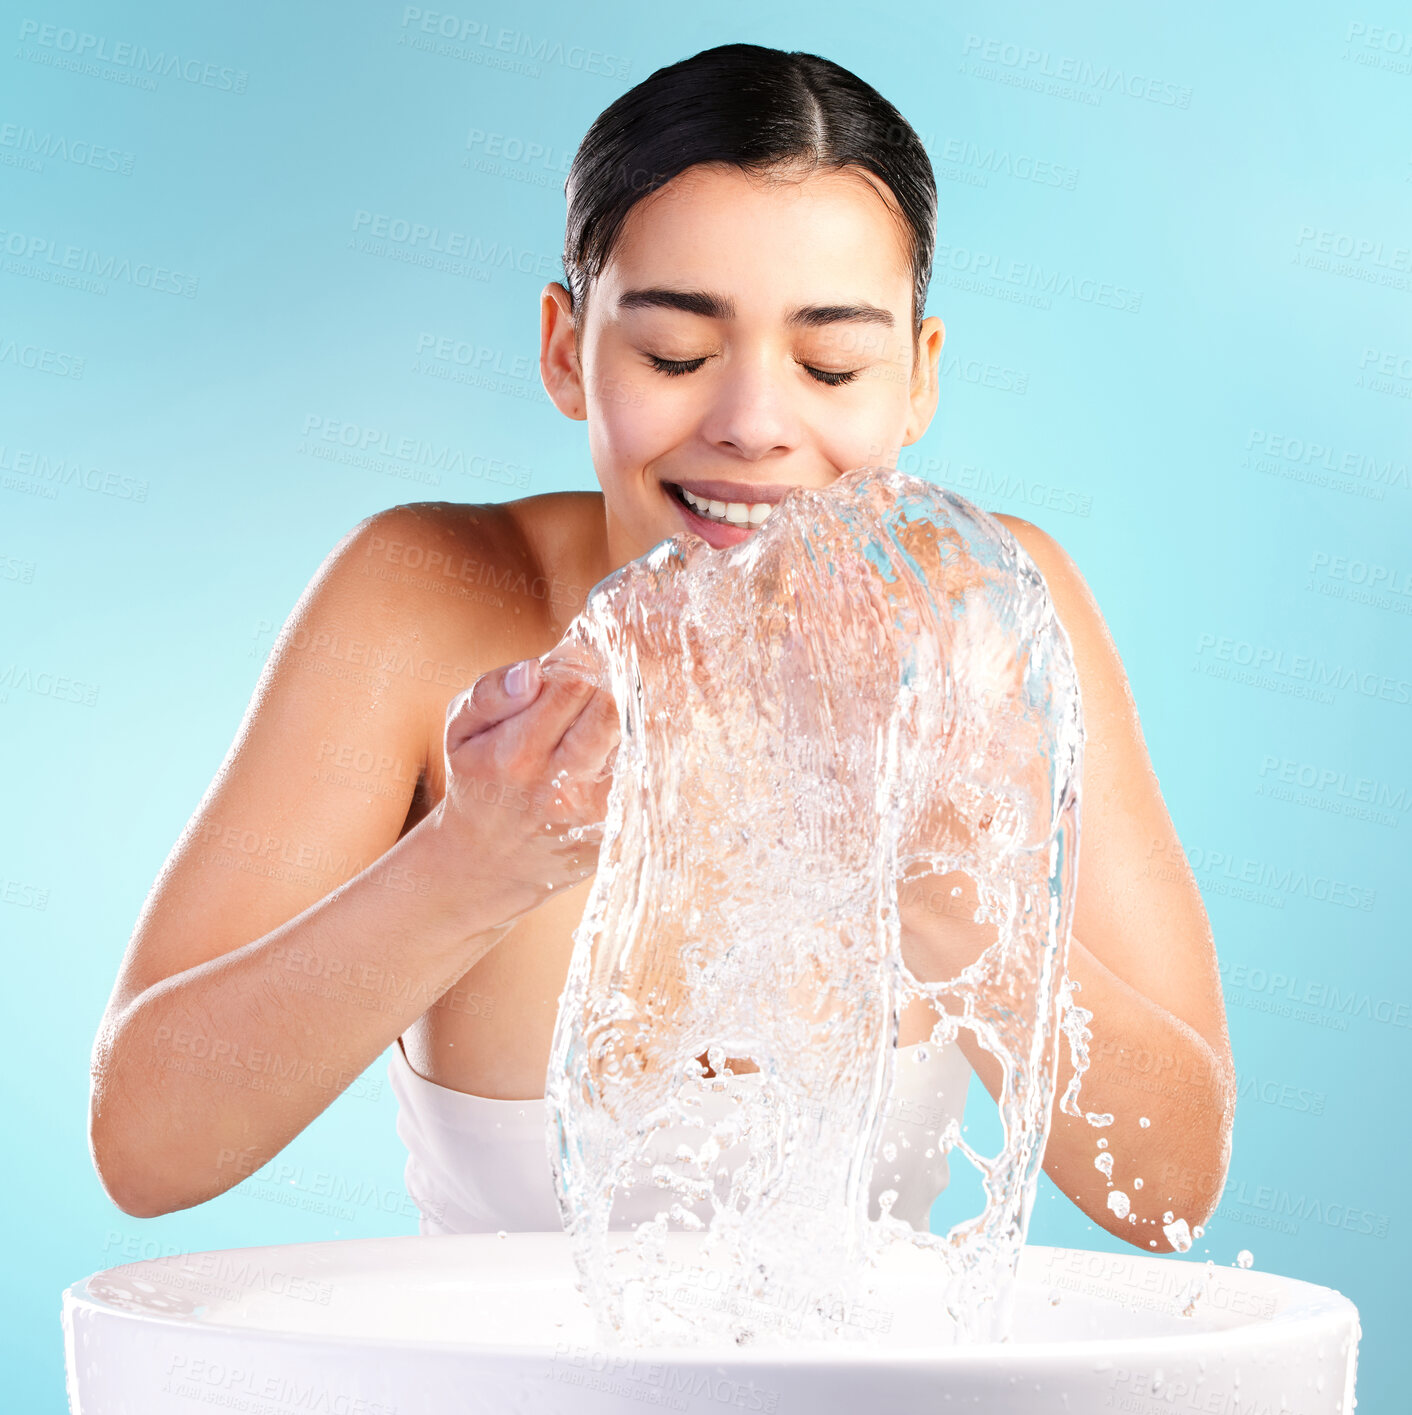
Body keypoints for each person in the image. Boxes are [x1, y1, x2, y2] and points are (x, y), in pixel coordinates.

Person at [88, 43, 1233, 1250]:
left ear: (916, 381)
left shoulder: (995, 610)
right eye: (676, 355)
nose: (749, 425)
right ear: (562, 349)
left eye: (830, 363)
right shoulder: (418, 600)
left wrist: (950, 896)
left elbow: (1168, 1190)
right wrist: (473, 862)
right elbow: (148, 1147)